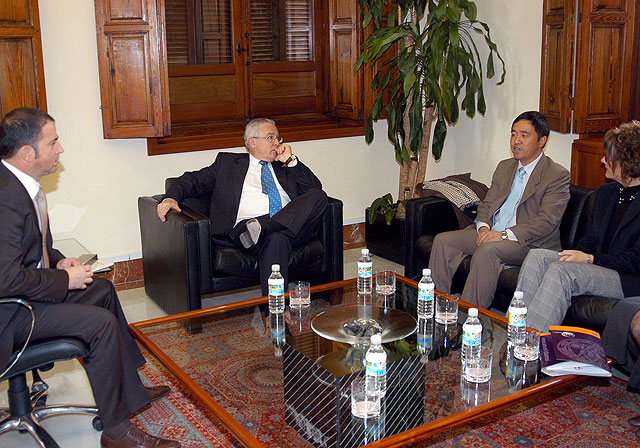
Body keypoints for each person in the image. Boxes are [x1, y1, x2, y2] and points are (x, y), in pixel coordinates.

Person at [0, 108, 179, 448]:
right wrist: (62, 281)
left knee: (103, 290)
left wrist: (57, 260)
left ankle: (130, 389)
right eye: (53, 142)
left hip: (24, 296)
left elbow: (31, 249)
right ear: (27, 153)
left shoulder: (20, 185)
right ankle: (116, 432)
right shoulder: (5, 197)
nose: (60, 149)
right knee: (98, 324)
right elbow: (5, 278)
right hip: (9, 314)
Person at [157, 118, 328, 295]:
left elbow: (313, 190)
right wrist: (170, 198)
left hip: (284, 227)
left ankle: (265, 228)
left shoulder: (285, 166)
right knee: (276, 239)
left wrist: (292, 161)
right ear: (252, 142)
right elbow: (191, 180)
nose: (277, 143)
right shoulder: (227, 164)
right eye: (270, 137)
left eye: (278, 138)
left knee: (318, 196)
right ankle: (275, 312)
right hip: (245, 231)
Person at [428, 111, 570, 309]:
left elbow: (546, 222)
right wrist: (483, 228)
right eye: (513, 134)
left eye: (524, 135)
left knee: (488, 251)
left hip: (528, 243)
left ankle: (472, 320)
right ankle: (438, 310)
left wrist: (502, 235)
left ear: (542, 141)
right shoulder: (505, 167)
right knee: (444, 241)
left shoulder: (556, 175)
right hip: (493, 232)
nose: (516, 141)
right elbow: (486, 204)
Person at [516, 120, 640, 331]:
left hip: (626, 278)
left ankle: (529, 345)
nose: (602, 160)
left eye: (608, 157)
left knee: (562, 271)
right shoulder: (606, 194)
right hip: (597, 265)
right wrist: (579, 254)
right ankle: (516, 331)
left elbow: (636, 260)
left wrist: (590, 259)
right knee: (538, 256)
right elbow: (589, 240)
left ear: (627, 162)